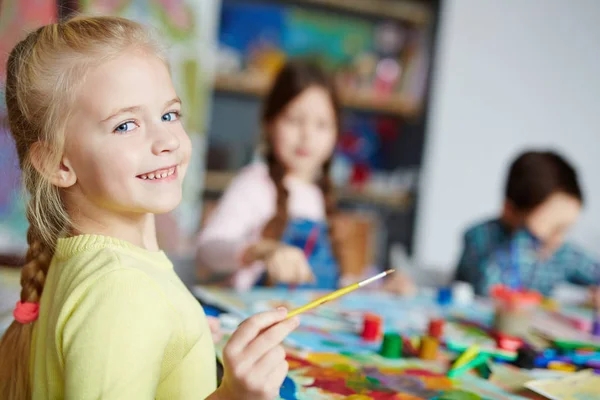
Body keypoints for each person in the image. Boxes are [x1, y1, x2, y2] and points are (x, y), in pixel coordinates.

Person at [0, 16, 298, 400]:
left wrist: (177, 337)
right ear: (59, 162)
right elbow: (117, 313)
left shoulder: (97, 268)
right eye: (126, 125)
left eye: (169, 115)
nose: (167, 141)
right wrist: (234, 396)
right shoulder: (122, 292)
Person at [196, 60, 414, 294]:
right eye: (294, 120)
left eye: (322, 124)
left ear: (336, 134)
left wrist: (379, 290)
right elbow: (207, 251)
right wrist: (261, 250)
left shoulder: (320, 194)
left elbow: (325, 287)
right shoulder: (255, 184)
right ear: (269, 123)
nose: (307, 135)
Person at [455, 150, 600, 297]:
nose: (558, 238)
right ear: (509, 211)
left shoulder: (560, 251)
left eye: (565, 228)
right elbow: (489, 289)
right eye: (551, 228)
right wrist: (523, 243)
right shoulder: (478, 237)